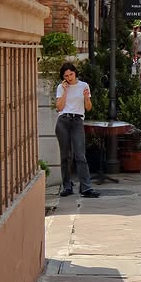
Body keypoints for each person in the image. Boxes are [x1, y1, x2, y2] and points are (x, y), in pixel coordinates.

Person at [55, 63, 100, 198]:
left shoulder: (84, 86)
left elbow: (88, 108)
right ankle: (67, 186)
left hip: (77, 121)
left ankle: (86, 188)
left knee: (80, 155)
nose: (69, 78)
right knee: (65, 156)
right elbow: (59, 107)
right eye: (66, 76)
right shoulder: (61, 87)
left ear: (75, 73)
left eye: (71, 74)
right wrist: (64, 91)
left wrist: (86, 97)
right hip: (63, 121)